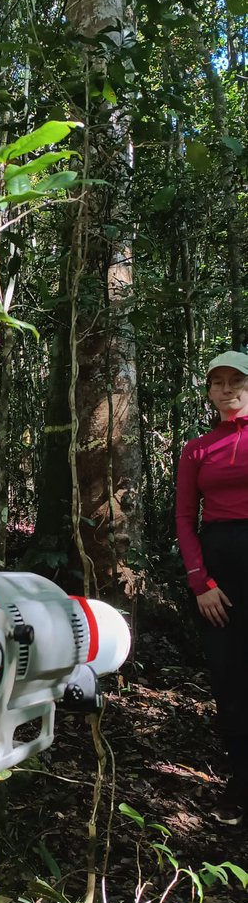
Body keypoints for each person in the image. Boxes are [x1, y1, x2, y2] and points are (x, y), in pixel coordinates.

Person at [176, 350, 248, 826]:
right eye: (217, 382)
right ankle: (239, 784)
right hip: (219, 571)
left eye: (235, 380)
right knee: (229, 677)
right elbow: (185, 518)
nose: (226, 389)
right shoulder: (197, 448)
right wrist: (200, 582)